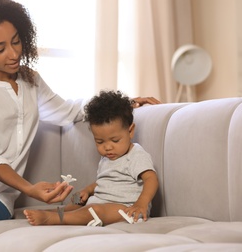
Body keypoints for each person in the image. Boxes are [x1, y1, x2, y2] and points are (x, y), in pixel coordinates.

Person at [0, 0, 160, 251]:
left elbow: (68, 111)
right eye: (0, 48)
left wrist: (122, 103)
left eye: (16, 41)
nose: (14, 53)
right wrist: (31, 189)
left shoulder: (31, 80)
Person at [24, 91, 159, 226]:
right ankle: (58, 211)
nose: (107, 148)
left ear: (130, 131)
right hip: (101, 201)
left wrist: (141, 202)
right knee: (77, 201)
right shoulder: (107, 158)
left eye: (115, 140)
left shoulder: (136, 154)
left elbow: (151, 179)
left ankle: (54, 219)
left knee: (95, 210)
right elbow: (104, 181)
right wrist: (87, 191)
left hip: (127, 208)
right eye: (100, 142)